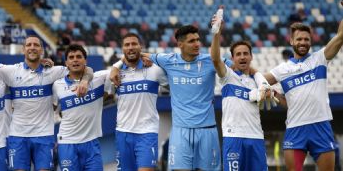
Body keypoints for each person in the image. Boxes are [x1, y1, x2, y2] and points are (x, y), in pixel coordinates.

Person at [110, 25, 229, 170]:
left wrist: (261, 80)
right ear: (180, 44)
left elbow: (238, 69)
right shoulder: (168, 60)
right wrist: (116, 66)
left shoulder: (210, 61)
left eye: (198, 40)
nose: (197, 44)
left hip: (206, 129)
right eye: (192, 41)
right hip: (180, 131)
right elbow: (134, 54)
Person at [0, 35, 93, 171]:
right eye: (29, 45)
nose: (32, 47)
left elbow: (85, 69)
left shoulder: (53, 71)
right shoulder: (11, 71)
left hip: (44, 135)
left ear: (42, 50)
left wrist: (85, 81)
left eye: (36, 45)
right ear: (23, 50)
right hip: (18, 135)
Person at [264, 20, 343, 171]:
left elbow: (340, 36)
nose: (303, 42)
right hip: (295, 129)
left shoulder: (320, 58)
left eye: (306, 39)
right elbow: (258, 81)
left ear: (311, 41)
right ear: (291, 40)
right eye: (299, 39)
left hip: (320, 126)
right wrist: (270, 91)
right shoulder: (282, 70)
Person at [210, 15, 278, 171]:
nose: (242, 57)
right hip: (233, 137)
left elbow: (266, 90)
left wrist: (266, 91)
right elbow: (215, 58)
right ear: (233, 59)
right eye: (238, 54)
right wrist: (216, 33)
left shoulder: (258, 80)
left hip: (256, 138)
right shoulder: (228, 76)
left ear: (251, 57)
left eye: (245, 53)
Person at [111, 33, 168, 170]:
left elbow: (172, 63)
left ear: (140, 46)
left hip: (147, 132)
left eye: (134, 44)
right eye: (127, 45)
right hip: (123, 132)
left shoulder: (155, 70)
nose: (131, 47)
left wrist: (148, 57)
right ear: (122, 49)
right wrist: (116, 65)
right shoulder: (115, 74)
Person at [53, 44, 111, 170]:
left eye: (79, 56)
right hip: (67, 144)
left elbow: (119, 69)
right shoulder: (57, 85)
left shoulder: (99, 78)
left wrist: (85, 80)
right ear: (66, 63)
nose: (75, 60)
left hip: (91, 143)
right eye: (71, 57)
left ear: (85, 61)